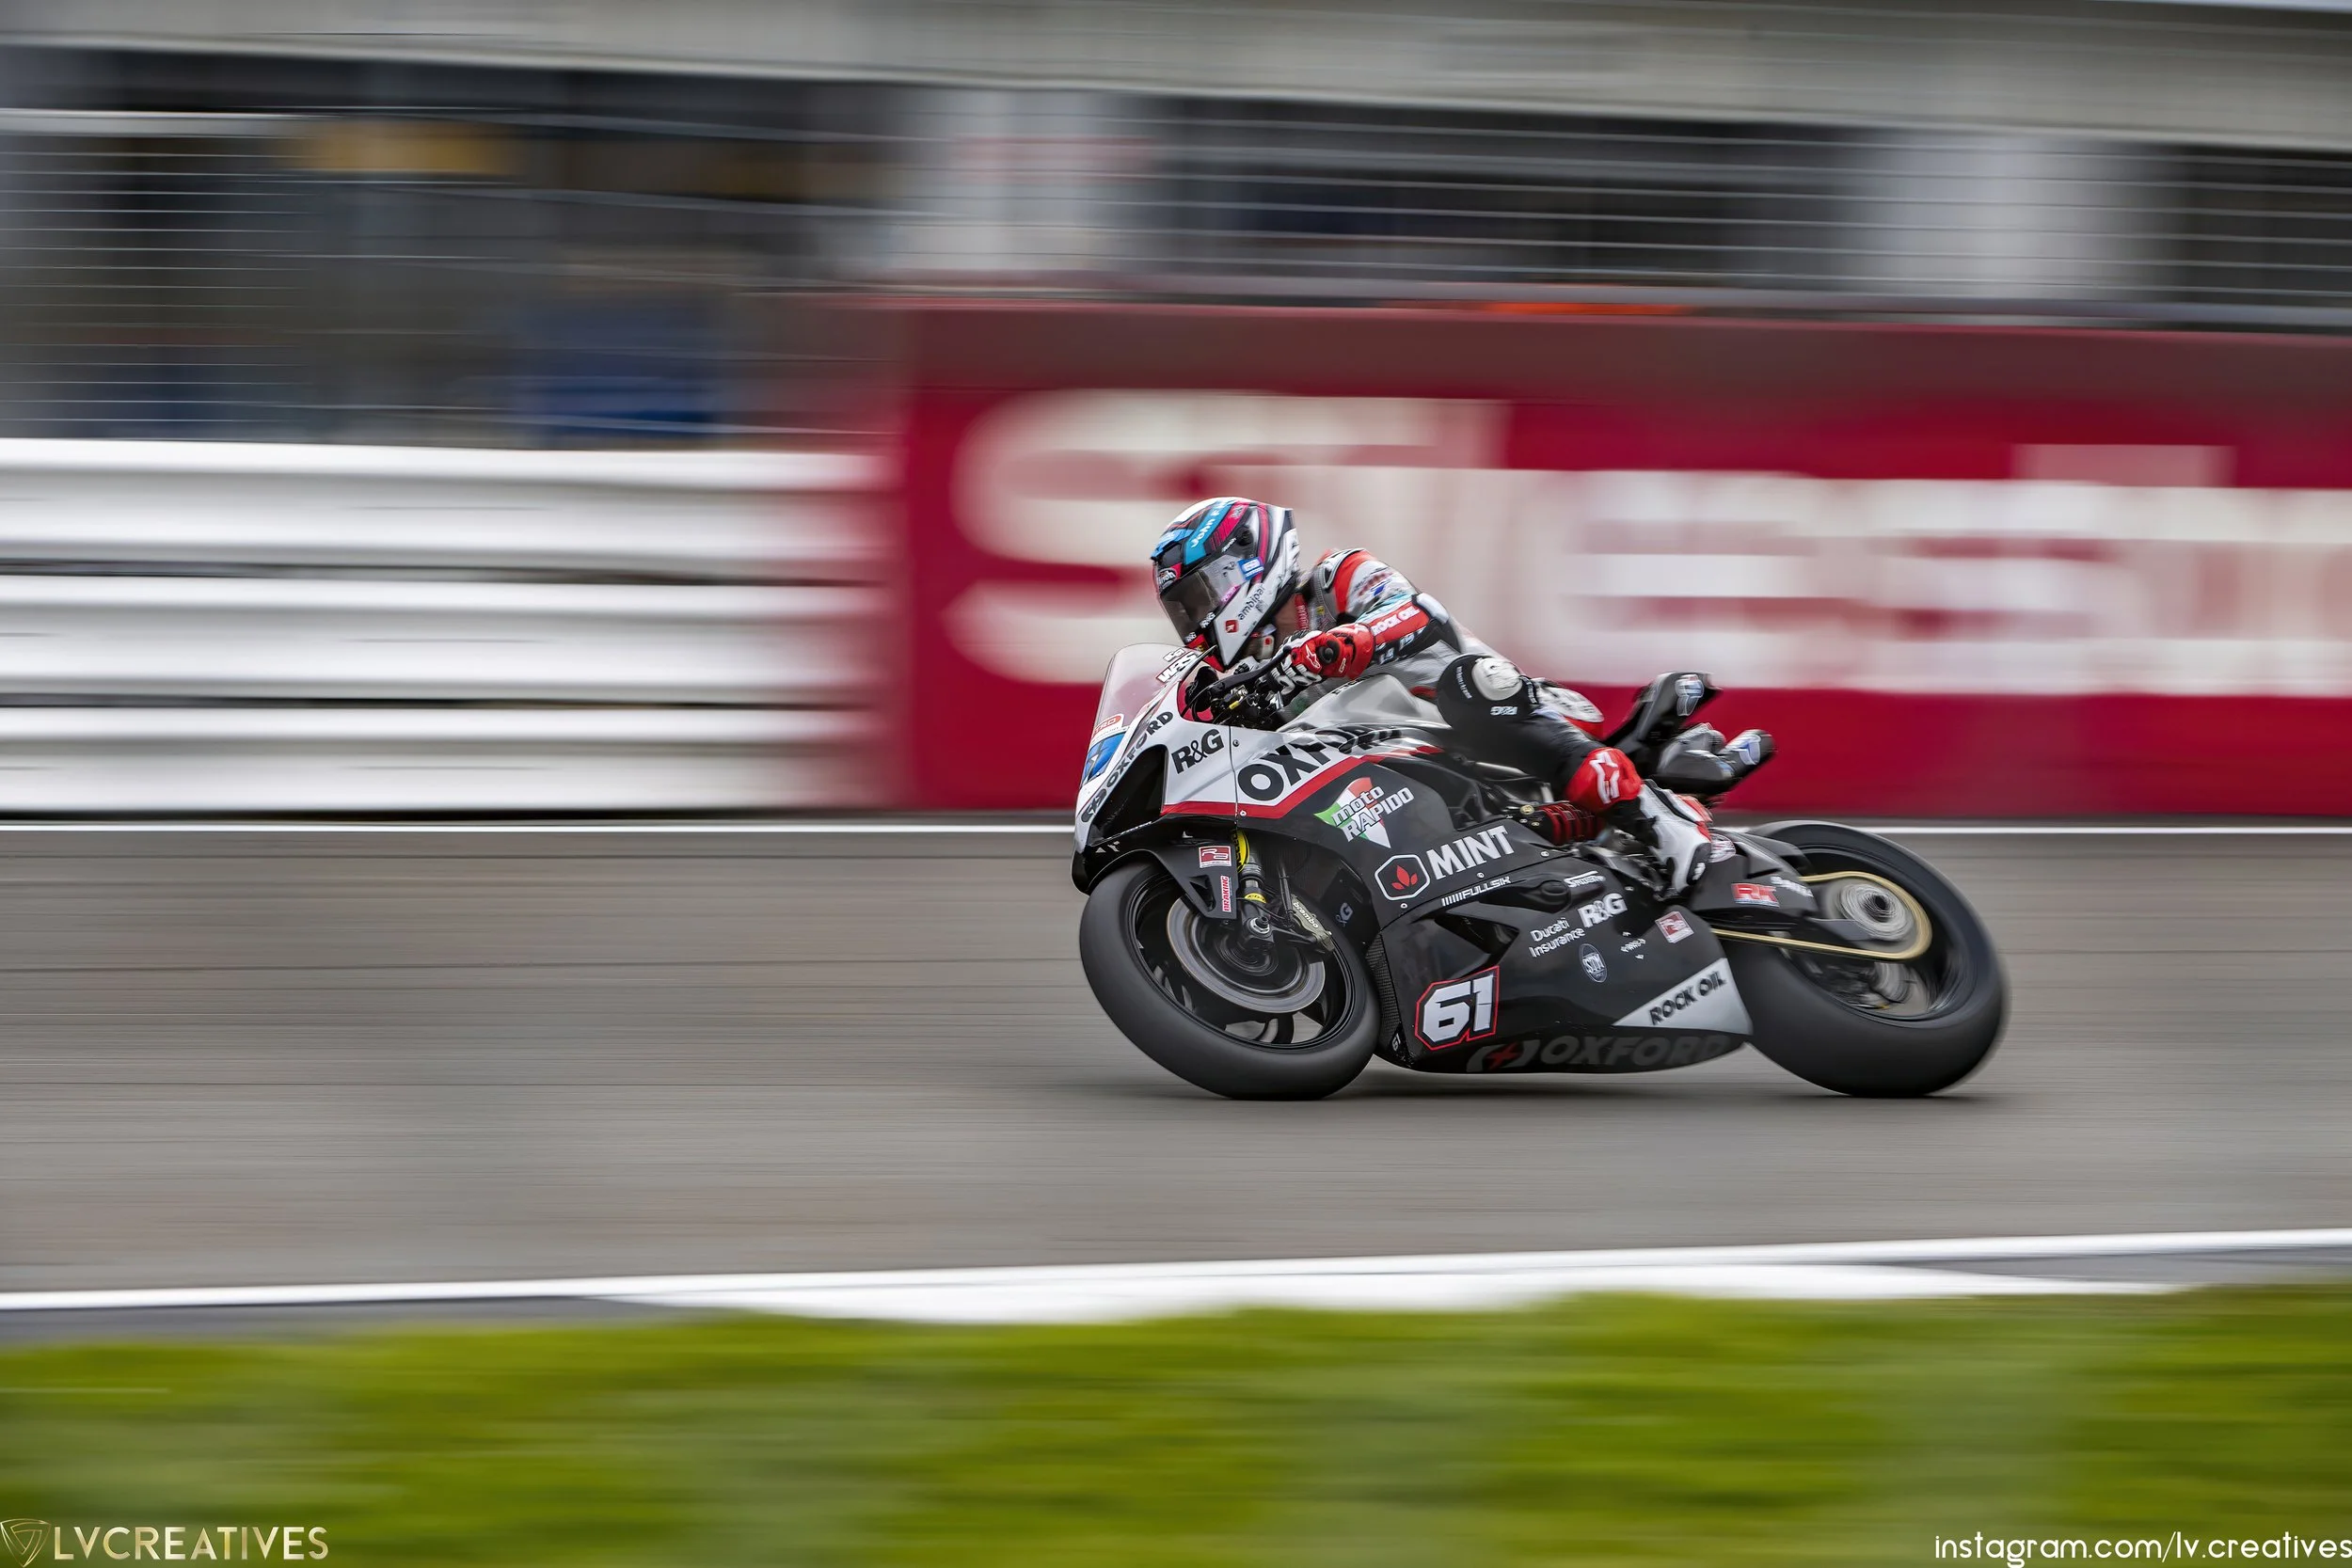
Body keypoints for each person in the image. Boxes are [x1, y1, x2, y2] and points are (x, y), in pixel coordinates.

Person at [1148, 496, 1771, 895]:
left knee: (1468, 684)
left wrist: (1327, 650)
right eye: (1184, 612)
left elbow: (1419, 616)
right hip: (1408, 784)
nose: (1196, 620)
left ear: (1244, 564)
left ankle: (1660, 822)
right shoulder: (1251, 677)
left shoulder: (1339, 575)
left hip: (1484, 714)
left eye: (1198, 598)